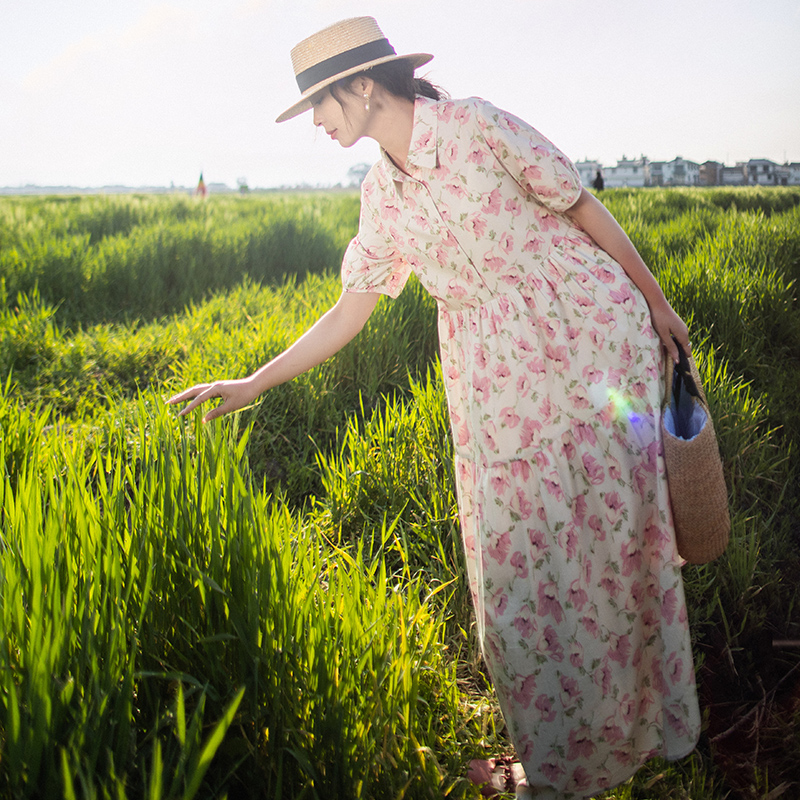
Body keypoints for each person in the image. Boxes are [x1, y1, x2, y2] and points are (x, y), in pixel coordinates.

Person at [168, 16, 701, 799]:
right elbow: (351, 310)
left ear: (362, 85)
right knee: (515, 574)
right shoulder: (381, 190)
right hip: (493, 390)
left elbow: (581, 206)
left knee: (606, 550)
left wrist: (655, 305)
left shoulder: (477, 125)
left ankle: (622, 739)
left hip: (586, 348)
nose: (316, 122)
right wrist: (253, 382)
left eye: (320, 103)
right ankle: (558, 760)